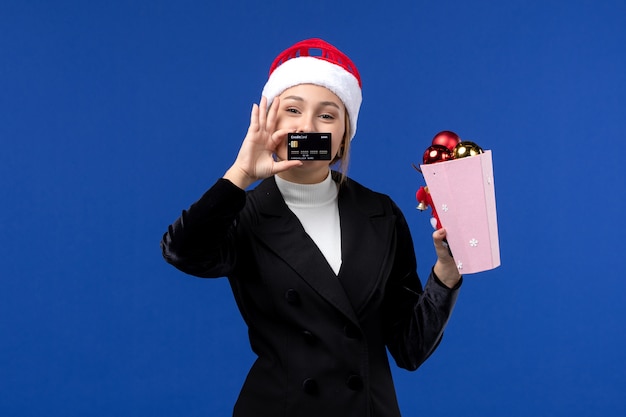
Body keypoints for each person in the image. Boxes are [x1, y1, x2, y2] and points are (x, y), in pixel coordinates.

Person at [161, 38, 462, 417]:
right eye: (292, 110)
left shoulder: (381, 213)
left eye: (327, 115)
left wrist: (447, 274)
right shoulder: (244, 212)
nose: (307, 126)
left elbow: (410, 349)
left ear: (342, 138)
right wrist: (240, 174)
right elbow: (183, 252)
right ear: (270, 123)